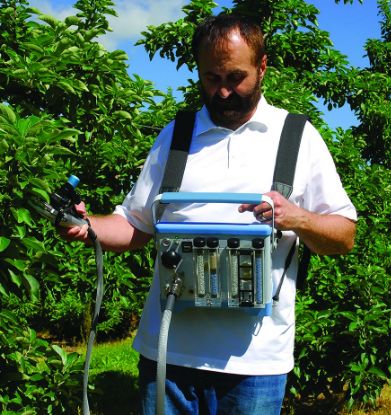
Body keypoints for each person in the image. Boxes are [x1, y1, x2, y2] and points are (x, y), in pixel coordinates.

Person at [65, 13, 357, 415]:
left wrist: (298, 218)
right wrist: (87, 226)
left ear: (262, 67)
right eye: (211, 78)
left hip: (255, 366)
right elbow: (135, 225)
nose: (223, 92)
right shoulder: (176, 135)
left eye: (236, 78)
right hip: (168, 355)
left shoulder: (297, 137)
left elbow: (344, 235)